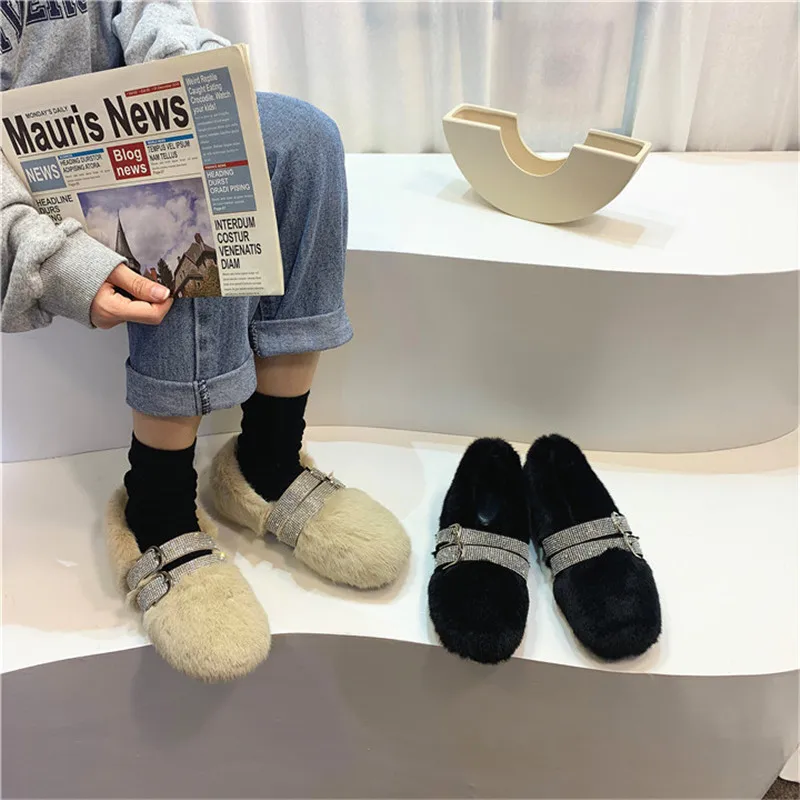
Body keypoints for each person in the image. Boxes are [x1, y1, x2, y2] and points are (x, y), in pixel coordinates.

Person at [1, 0, 410, 681]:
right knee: (182, 214)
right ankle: (156, 507)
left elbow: (149, 12)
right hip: (17, 184)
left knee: (303, 139)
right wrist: (47, 259)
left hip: (109, 126)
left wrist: (201, 86)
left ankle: (266, 461)